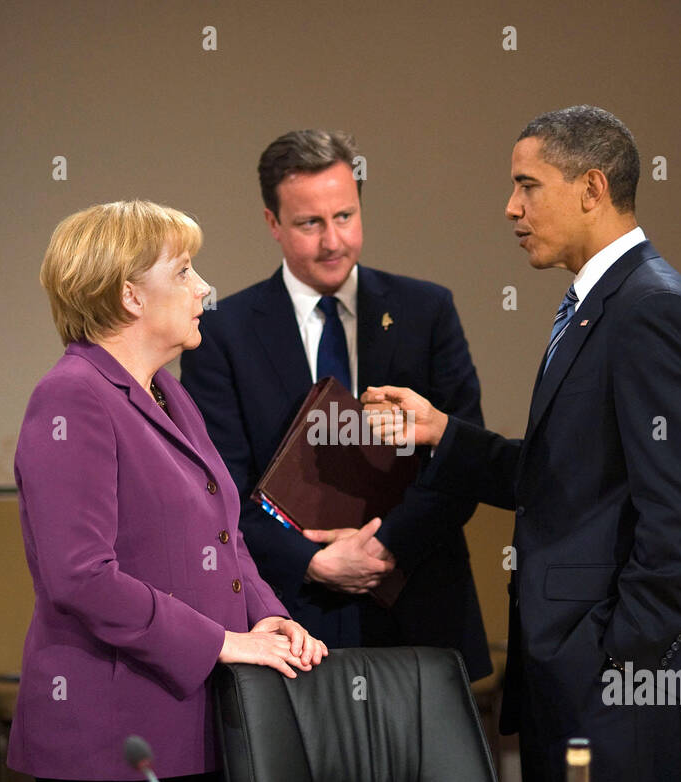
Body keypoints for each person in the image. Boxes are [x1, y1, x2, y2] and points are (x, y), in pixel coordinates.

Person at [364, 106, 681, 782]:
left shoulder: (649, 308)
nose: (511, 208)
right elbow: (566, 476)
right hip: (570, 673)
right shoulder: (598, 306)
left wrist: (618, 662)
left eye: (527, 185)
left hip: (611, 680)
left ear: (592, 187)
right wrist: (443, 432)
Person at [8, 199, 328, 782]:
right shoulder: (72, 395)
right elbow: (81, 578)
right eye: (183, 271)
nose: (203, 289)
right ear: (130, 295)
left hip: (196, 725)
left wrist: (268, 618)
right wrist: (222, 643)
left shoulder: (168, 393)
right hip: (116, 742)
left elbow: (225, 535)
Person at [180, 130, 491, 679]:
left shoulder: (427, 311)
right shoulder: (223, 333)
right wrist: (314, 563)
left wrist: (385, 548)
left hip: (420, 610)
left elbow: (461, 459)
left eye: (345, 216)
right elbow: (219, 490)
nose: (333, 241)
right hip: (292, 623)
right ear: (273, 223)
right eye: (309, 223)